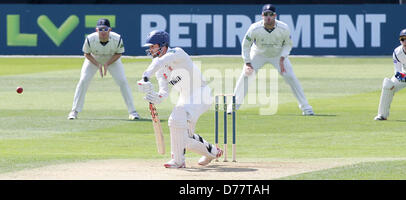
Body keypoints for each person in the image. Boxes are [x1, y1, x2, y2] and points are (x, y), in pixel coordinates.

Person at [138, 30, 223, 168]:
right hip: (185, 97)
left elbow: (160, 61)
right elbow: (164, 91)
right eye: (150, 47)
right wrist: (155, 97)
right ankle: (213, 152)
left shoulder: (177, 53)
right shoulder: (160, 69)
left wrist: (145, 77)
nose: (150, 49)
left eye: (153, 46)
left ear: (163, 45)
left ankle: (178, 161)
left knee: (175, 119)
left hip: (200, 93)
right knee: (184, 138)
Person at [228, 4, 314, 115]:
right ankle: (233, 106)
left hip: (277, 56)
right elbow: (245, 45)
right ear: (262, 15)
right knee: (245, 76)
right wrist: (248, 63)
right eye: (266, 14)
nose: (268, 17)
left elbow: (288, 44)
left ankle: (306, 108)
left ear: (275, 15)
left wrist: (283, 58)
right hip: (258, 54)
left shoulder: (283, 28)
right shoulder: (255, 28)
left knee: (291, 77)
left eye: (271, 14)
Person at [68, 18, 140, 120]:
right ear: (96, 30)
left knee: (123, 81)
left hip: (112, 58)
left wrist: (107, 63)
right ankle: (74, 111)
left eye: (105, 29)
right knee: (83, 81)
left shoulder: (117, 38)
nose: (103, 32)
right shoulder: (90, 39)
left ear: (109, 30)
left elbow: (119, 53)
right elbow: (87, 54)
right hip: (93, 58)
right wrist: (98, 64)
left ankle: (133, 112)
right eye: (100, 29)